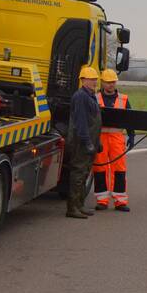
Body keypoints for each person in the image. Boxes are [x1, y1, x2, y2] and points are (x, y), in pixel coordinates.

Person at [93, 69, 134, 212]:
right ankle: (102, 200)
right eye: (108, 82)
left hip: (117, 138)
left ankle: (120, 201)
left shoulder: (124, 99)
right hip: (100, 138)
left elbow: (130, 119)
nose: (111, 85)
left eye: (113, 82)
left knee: (119, 169)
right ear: (102, 82)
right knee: (99, 168)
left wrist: (131, 135)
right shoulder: (95, 98)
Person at [66, 66, 102, 219]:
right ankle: (72, 208)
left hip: (90, 141)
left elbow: (94, 121)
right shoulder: (81, 96)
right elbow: (81, 123)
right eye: (91, 79)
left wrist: (96, 142)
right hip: (80, 142)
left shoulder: (91, 95)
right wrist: (87, 142)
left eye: (95, 79)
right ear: (82, 80)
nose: (94, 82)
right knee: (78, 173)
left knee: (85, 172)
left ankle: (80, 205)